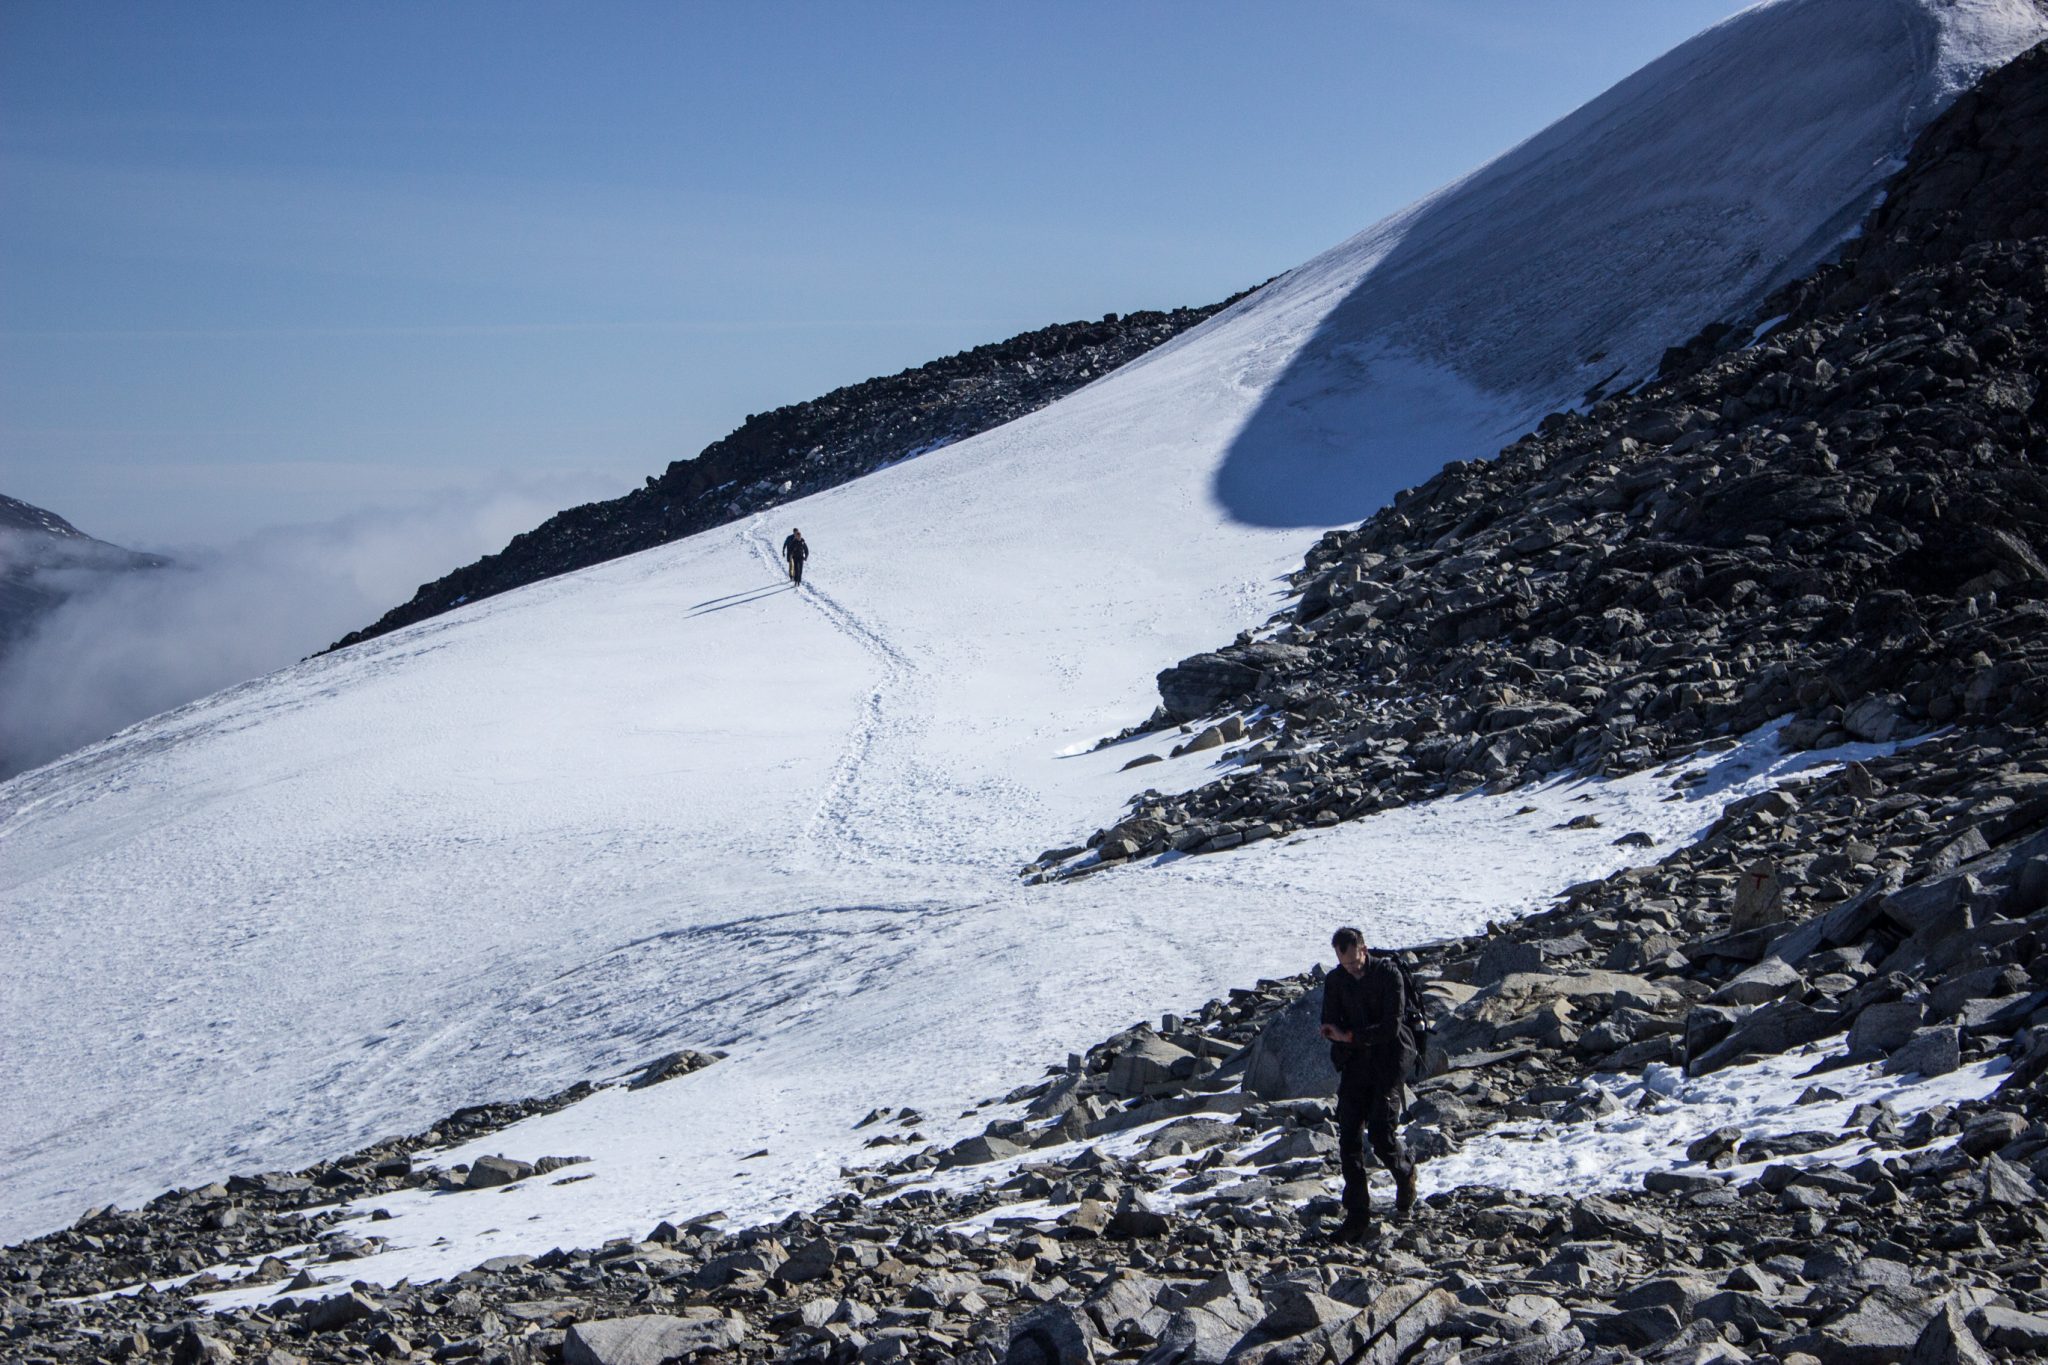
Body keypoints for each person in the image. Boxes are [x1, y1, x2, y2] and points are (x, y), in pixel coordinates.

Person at [1318, 925, 1418, 1242]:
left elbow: (1391, 1025)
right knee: (1348, 1134)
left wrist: (1351, 1035)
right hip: (1355, 1060)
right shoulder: (1335, 980)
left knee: (1379, 1130)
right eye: (1343, 963)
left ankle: (1405, 1173)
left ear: (1363, 949)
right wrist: (1335, 1033)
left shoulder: (1388, 974)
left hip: (1390, 1058)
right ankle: (1357, 1214)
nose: (1350, 968)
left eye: (1354, 961)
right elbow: (1329, 1017)